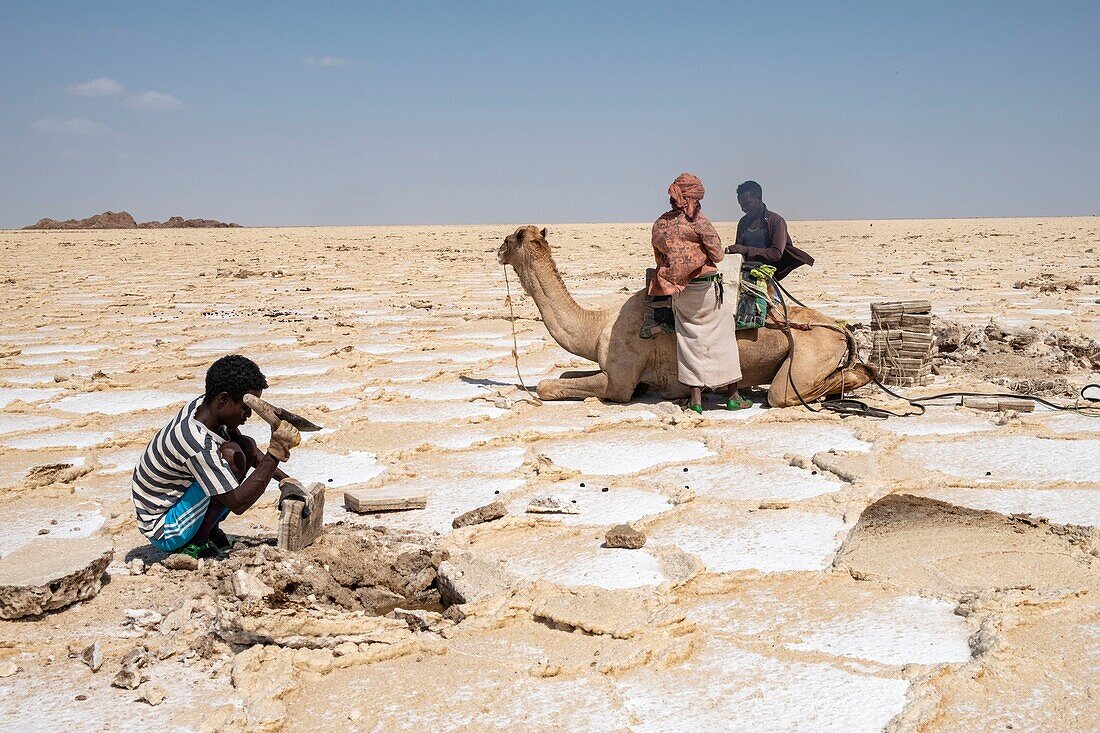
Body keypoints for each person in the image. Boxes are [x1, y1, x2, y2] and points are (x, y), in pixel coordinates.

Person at [131, 355, 299, 558]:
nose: (249, 415)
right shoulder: (197, 442)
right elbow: (238, 503)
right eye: (246, 409)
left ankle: (208, 529)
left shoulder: (204, 407)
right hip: (163, 527)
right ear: (223, 400)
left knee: (244, 445)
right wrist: (276, 452)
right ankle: (197, 541)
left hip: (178, 500)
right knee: (230, 459)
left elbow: (251, 452)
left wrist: (286, 480)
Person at [650, 173, 750, 413]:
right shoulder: (700, 222)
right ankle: (733, 396)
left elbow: (659, 253)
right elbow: (717, 255)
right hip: (706, 290)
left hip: (679, 292)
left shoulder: (661, 223)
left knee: (688, 341)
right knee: (723, 337)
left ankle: (695, 401)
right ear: (693, 198)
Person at [725, 180, 814, 280]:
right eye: (741, 204)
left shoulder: (776, 221)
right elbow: (739, 250)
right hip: (746, 276)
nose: (743, 208)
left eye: (747, 204)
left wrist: (747, 250)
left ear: (758, 198)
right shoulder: (743, 223)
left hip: (768, 276)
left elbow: (776, 253)